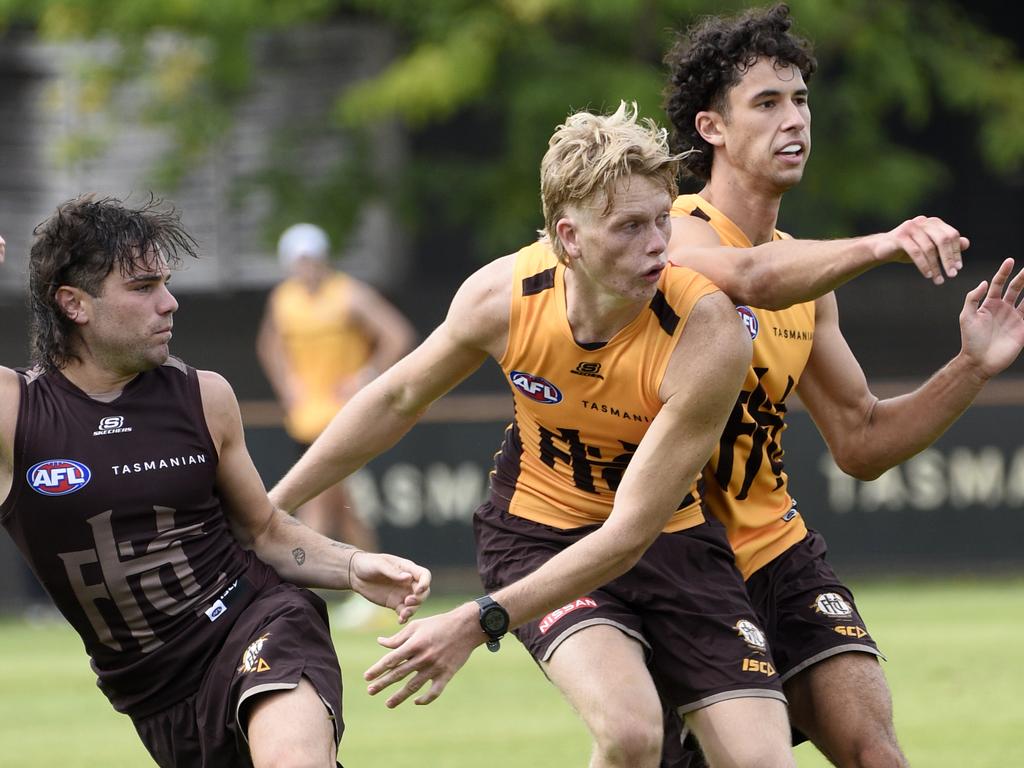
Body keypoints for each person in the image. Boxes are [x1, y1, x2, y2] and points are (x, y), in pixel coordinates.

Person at [269, 102, 798, 768]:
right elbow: (398, 396)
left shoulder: (708, 331)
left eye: (662, 219)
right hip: (539, 537)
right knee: (632, 736)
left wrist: (479, 618)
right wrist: (269, 508)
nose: (660, 244)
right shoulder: (505, 296)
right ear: (568, 237)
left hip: (671, 544)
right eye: (630, 227)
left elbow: (629, 534)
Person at [660, 4, 1024, 766]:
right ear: (711, 128)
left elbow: (860, 442)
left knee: (877, 754)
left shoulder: (809, 280)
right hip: (677, 566)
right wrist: (886, 242)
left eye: (800, 100)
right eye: (766, 103)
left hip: (779, 551)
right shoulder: (672, 236)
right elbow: (750, 277)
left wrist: (971, 368)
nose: (794, 120)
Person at [0, 196, 431, 768]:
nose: (169, 303)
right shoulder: (17, 414)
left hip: (258, 620)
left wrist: (352, 567)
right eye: (143, 287)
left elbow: (264, 532)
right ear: (74, 304)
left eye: (166, 283)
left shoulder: (205, 397)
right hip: (156, 696)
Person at [256, 222, 414, 552]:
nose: (307, 268)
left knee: (315, 502)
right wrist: (287, 385)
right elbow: (269, 345)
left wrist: (366, 375)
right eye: (300, 261)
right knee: (341, 505)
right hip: (304, 417)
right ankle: (374, 581)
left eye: (312, 260)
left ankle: (296, 580)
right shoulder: (283, 299)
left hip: (342, 414)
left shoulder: (348, 293)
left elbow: (397, 334)